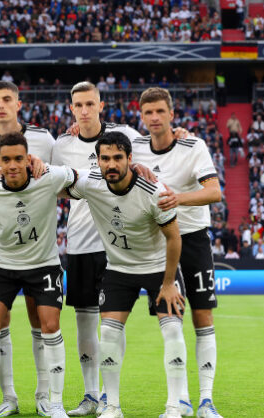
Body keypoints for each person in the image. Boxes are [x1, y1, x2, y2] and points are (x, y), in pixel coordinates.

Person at [67, 132, 186, 418]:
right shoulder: (91, 183)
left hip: (159, 269)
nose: (111, 164)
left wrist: (169, 283)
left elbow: (174, 238)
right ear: (97, 161)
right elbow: (58, 179)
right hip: (119, 269)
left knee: (172, 330)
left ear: (130, 159)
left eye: (118, 158)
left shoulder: (153, 190)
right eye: (105, 158)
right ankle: (112, 406)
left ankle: (174, 406)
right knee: (108, 333)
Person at [132, 87, 224, 418]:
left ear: (172, 114)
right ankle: (181, 399)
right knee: (171, 321)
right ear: (141, 116)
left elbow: (214, 192)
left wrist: (177, 199)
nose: (154, 117)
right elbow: (100, 142)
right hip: (158, 244)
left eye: (160, 111)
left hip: (193, 239)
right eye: (148, 112)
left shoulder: (193, 145)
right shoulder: (135, 147)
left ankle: (206, 401)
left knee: (202, 317)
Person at [52, 81, 142, 416]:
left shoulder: (125, 135)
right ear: (71, 108)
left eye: (90, 103)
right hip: (80, 243)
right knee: (85, 323)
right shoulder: (62, 145)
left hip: (116, 244)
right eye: (79, 105)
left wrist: (177, 132)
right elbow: (50, 182)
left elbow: (155, 149)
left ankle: (109, 396)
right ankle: (91, 395)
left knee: (112, 323)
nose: (85, 110)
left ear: (101, 105)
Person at [0, 132, 76, 418]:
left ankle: (52, 401)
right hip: (3, 265)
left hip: (43, 264)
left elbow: (80, 176)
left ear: (28, 159)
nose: (13, 165)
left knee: (50, 325)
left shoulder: (49, 178)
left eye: (19, 158)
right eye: (6, 160)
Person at [0, 80, 55, 417]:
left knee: (39, 319)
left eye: (7, 99)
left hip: (37, 247)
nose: (1, 104)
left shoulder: (44, 139)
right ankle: (8, 398)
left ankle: (44, 395)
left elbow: (63, 175)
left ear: (18, 103)